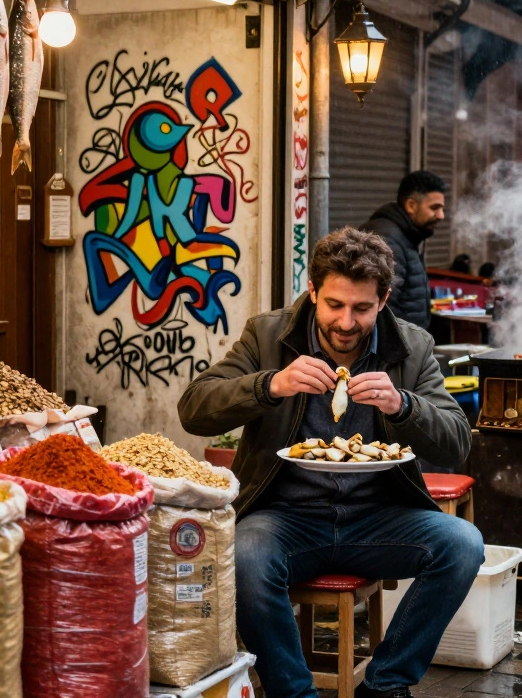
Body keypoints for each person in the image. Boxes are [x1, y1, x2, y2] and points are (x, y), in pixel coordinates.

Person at [177, 227, 482, 698]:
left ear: (382, 301)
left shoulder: (413, 347)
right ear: (313, 292)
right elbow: (194, 408)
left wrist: (404, 406)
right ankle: (294, 692)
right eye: (334, 305)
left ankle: (386, 683)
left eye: (361, 309)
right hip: (285, 516)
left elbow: (458, 441)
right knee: (244, 553)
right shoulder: (268, 333)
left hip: (380, 517)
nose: (345, 322)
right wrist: (270, 385)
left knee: (463, 544)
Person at [359, 171, 448, 329]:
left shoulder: (406, 236)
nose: (441, 215)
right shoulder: (388, 238)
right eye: (435, 208)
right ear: (411, 205)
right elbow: (384, 307)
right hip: (399, 349)